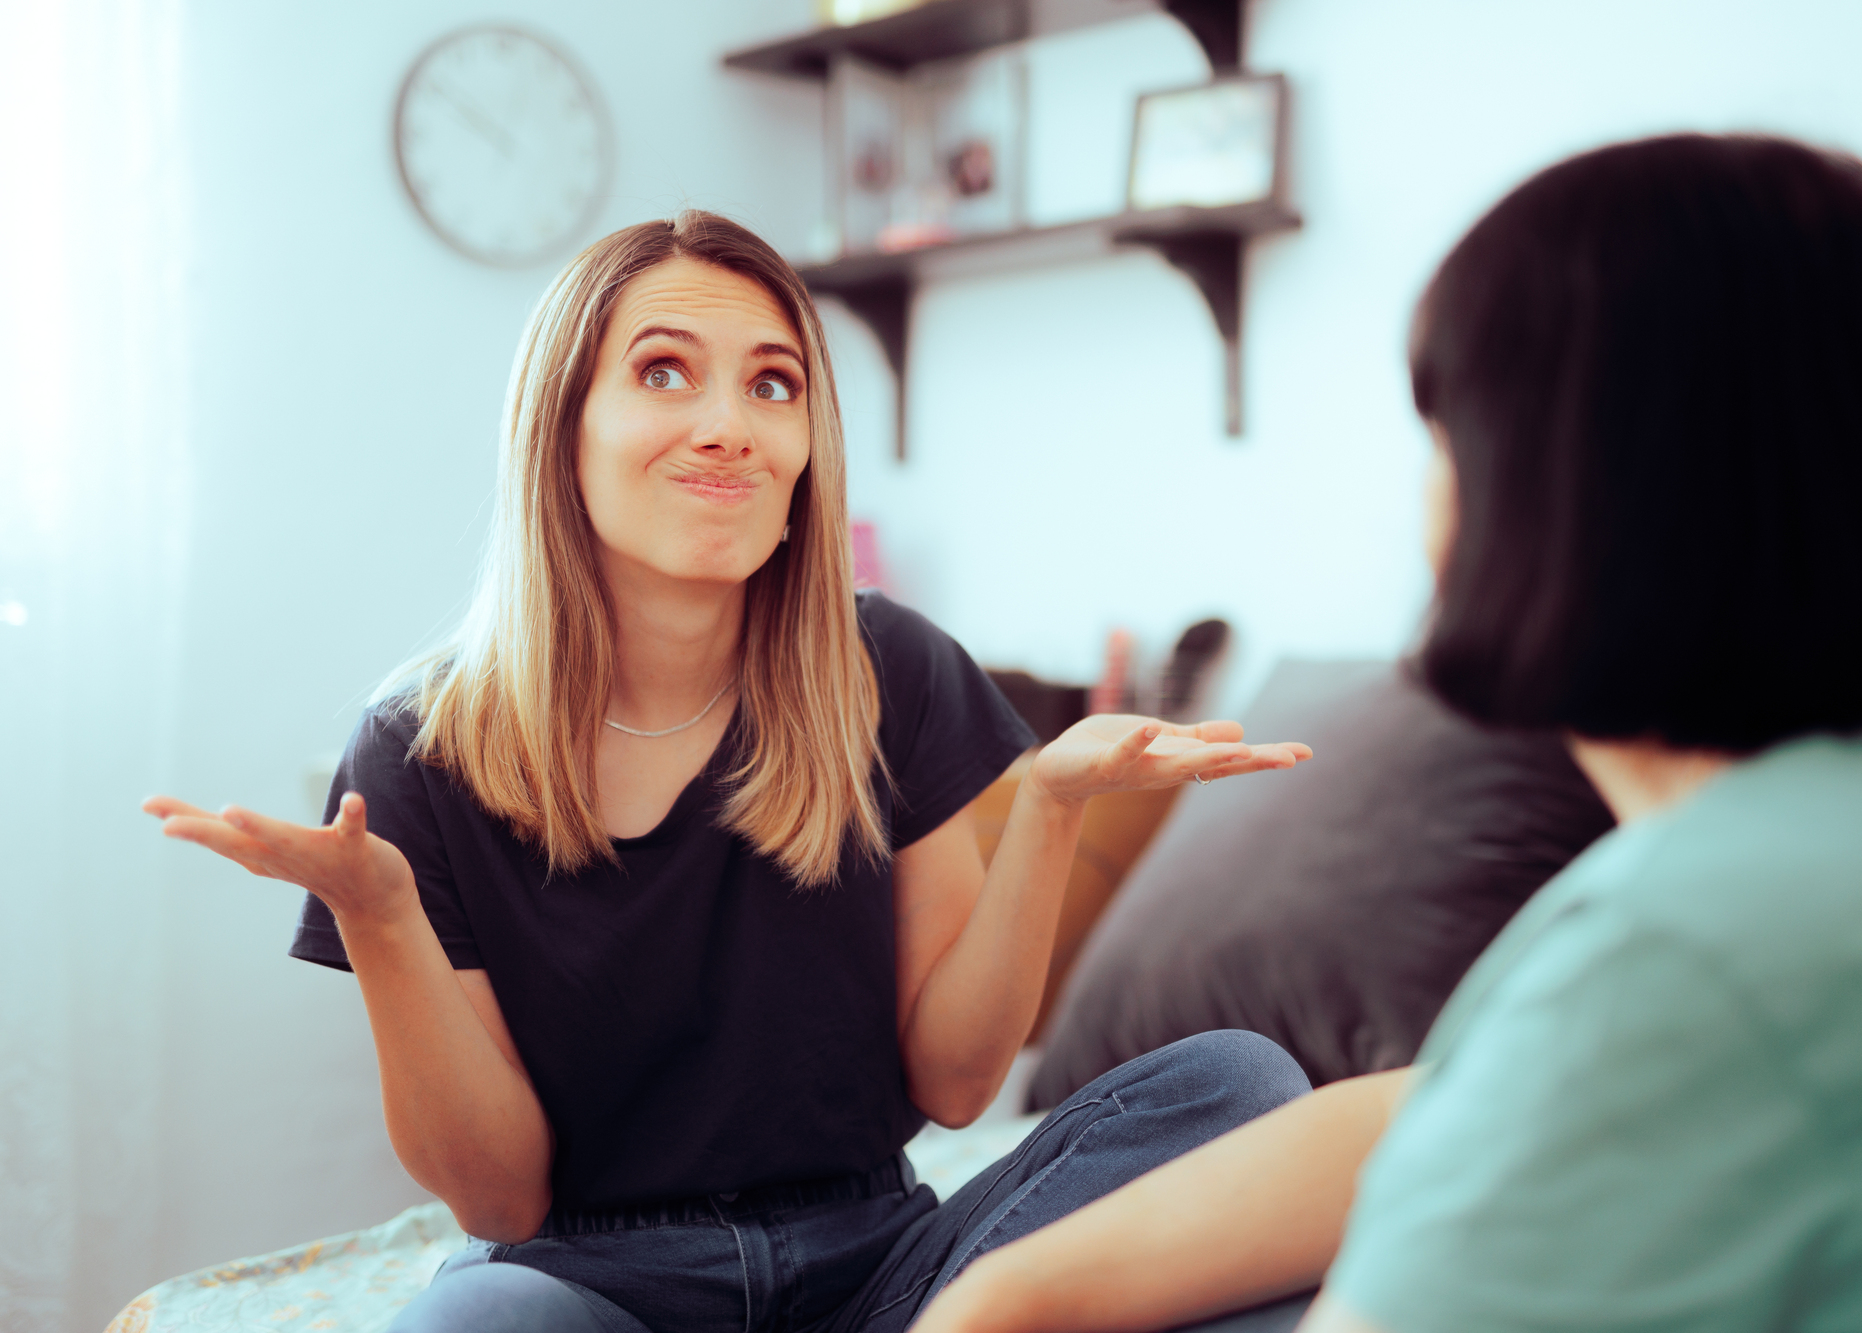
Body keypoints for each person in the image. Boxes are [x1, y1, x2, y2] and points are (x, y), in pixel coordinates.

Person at [143, 211, 1314, 1333]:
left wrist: (1049, 809)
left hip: (882, 1270)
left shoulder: (887, 668)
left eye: (771, 383)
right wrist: (379, 912)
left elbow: (956, 1085)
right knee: (483, 1312)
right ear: (563, 427)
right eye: (661, 373)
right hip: (592, 1288)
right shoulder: (416, 743)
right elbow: (500, 1204)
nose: (727, 425)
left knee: (1235, 1085)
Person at [905, 134, 1862, 1333]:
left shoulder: (1694, 945)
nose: (1423, 502)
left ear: (1563, 489)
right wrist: (1016, 1287)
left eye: (1442, 435)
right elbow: (1461, 1102)